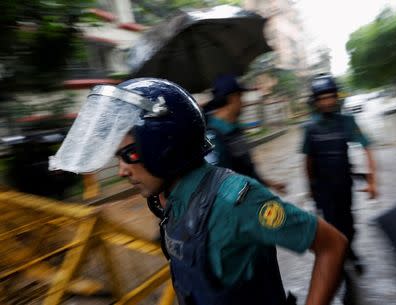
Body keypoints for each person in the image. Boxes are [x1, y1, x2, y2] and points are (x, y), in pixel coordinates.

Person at [50, 78, 348, 305]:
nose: (122, 170)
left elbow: (331, 245)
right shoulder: (169, 202)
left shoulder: (236, 199)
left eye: (129, 154)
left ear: (162, 146)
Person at [301, 74, 378, 274]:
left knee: (349, 223)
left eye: (330, 97)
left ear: (336, 97)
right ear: (316, 102)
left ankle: (350, 250)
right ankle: (340, 266)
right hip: (323, 188)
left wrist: (372, 181)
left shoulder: (347, 122)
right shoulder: (310, 128)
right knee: (332, 225)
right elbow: (308, 161)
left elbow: (367, 147)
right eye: (322, 98)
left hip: (344, 184)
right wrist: (311, 188)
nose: (327, 102)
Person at [204, 74, 286, 194]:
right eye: (241, 97)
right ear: (233, 98)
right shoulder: (213, 134)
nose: (244, 103)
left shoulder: (235, 129)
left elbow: (246, 168)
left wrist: (270, 184)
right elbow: (216, 183)